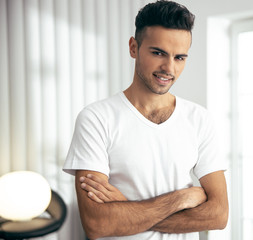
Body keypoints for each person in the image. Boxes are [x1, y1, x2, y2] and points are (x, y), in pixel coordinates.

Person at [63, 1, 228, 239]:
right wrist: (182, 198)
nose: (168, 68)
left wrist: (127, 207)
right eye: (158, 53)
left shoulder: (199, 119)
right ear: (133, 47)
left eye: (180, 57)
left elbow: (218, 216)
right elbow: (97, 223)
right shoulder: (96, 119)